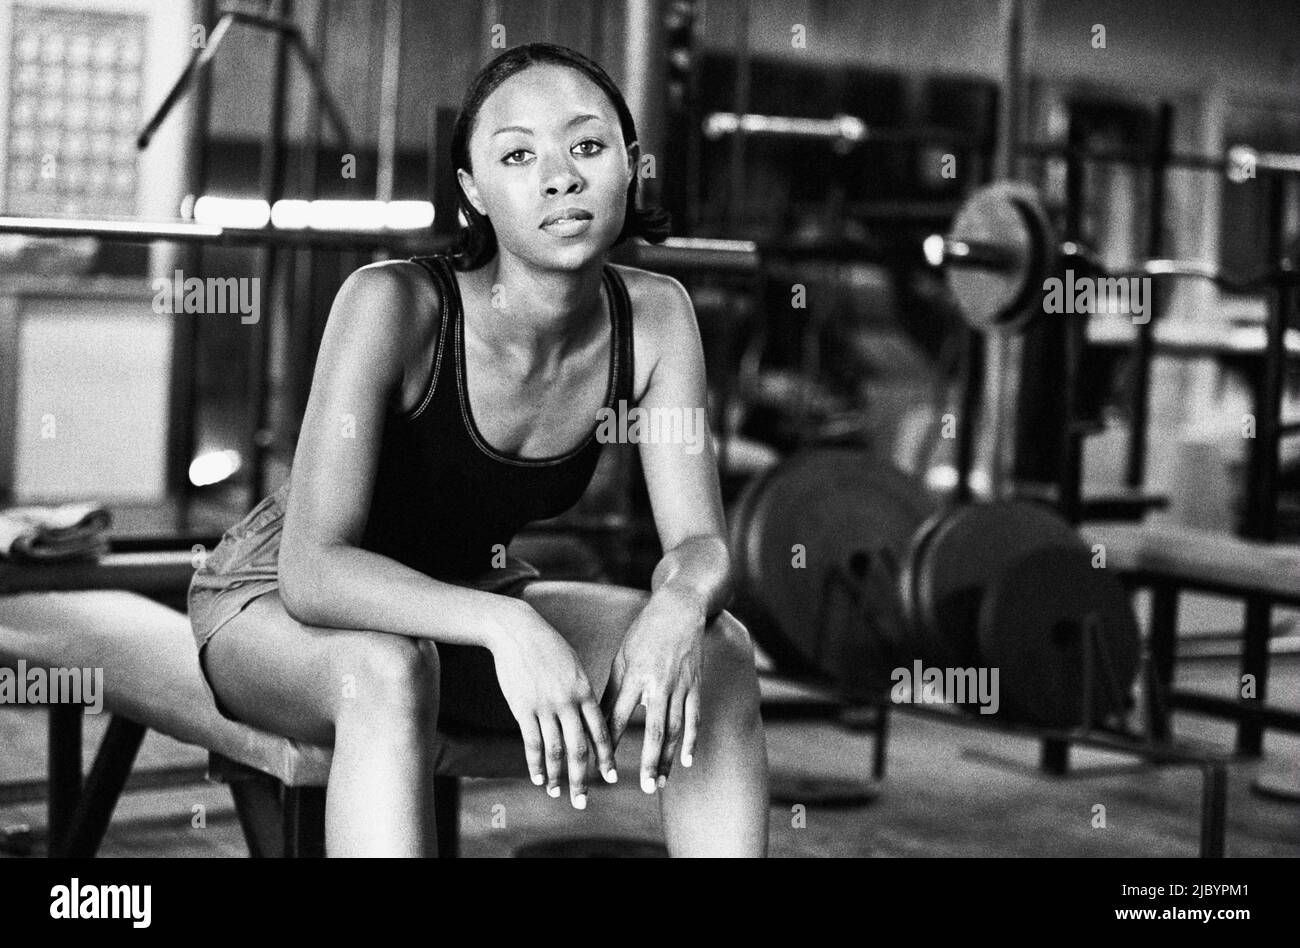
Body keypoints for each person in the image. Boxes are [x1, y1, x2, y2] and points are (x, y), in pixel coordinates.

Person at [187, 42, 770, 857]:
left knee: (723, 653)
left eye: (588, 147)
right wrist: (505, 625)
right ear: (474, 193)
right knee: (388, 672)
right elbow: (314, 568)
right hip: (273, 603)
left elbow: (700, 543)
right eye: (519, 155)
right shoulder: (389, 304)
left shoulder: (657, 317)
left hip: (462, 602)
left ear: (631, 169)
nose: (560, 176)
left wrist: (679, 601)